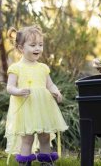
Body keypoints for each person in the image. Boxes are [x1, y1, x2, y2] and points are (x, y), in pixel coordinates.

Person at [5, 25, 68, 165]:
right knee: (27, 138)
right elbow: (9, 87)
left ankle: (46, 161)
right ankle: (25, 162)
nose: (38, 48)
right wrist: (18, 91)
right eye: (33, 45)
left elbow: (50, 84)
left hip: (43, 107)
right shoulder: (16, 68)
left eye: (40, 45)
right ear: (21, 48)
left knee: (44, 136)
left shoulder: (43, 68)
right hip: (26, 107)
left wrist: (56, 92)